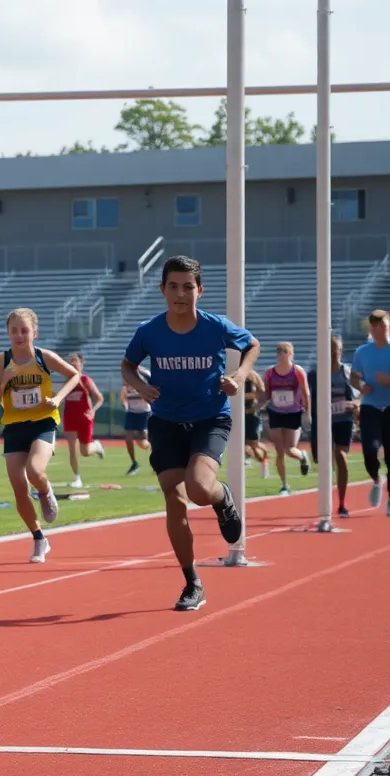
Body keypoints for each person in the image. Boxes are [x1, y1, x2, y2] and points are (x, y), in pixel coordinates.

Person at [121, 255, 258, 612]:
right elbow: (128, 365)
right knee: (173, 497)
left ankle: (221, 497)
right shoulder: (148, 331)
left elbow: (252, 346)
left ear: (200, 290)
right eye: (173, 286)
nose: (180, 294)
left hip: (209, 418)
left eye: (187, 287)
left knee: (198, 488)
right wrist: (140, 385)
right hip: (166, 421)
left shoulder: (216, 326)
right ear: (162, 289)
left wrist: (239, 377)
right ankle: (192, 582)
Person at [0, 308, 83, 565]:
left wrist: (58, 398)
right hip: (14, 427)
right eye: (14, 331)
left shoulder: (43, 357)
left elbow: (75, 376)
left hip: (43, 423)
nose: (19, 335)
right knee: (19, 487)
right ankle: (39, 537)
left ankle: (45, 490)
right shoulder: (1, 361)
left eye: (24, 330)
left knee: (34, 470)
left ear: (34, 333)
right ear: (8, 333)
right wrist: (5, 381)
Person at [349, 309, 390, 517]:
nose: (378, 330)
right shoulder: (362, 352)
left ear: (389, 326)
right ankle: (376, 479)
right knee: (369, 449)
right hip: (370, 406)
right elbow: (354, 378)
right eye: (375, 327)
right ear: (371, 329)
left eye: (382, 326)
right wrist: (361, 385)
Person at [307, 334, 357, 518]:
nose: (334, 352)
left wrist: (355, 404)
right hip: (323, 422)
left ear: (341, 351)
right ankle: (326, 499)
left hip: (343, 420)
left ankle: (342, 503)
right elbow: (306, 394)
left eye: (337, 349)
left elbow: (360, 393)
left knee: (340, 456)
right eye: (330, 349)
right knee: (322, 461)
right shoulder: (315, 374)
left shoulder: (347, 372)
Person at [260, 342, 311, 496]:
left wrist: (307, 412)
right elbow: (267, 392)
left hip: (293, 412)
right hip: (275, 411)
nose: (282, 355)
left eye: (285, 352)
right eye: (280, 352)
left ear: (291, 354)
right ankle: (284, 485)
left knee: (290, 449)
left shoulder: (297, 371)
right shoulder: (269, 372)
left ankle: (302, 457)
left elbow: (306, 392)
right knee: (279, 450)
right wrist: (261, 406)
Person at [61, 352, 105, 488]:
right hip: (70, 417)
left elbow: (99, 398)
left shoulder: (86, 380)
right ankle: (77, 478)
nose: (72, 364)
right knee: (72, 449)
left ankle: (96, 446)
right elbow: (62, 399)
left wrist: (93, 411)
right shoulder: (67, 381)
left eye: (75, 361)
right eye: (70, 361)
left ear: (81, 364)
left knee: (85, 452)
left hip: (84, 418)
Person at [120, 365, 152, 476]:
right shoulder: (126, 374)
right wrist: (126, 405)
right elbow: (124, 392)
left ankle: (157, 460)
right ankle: (134, 463)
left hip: (144, 412)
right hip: (132, 412)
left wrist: (142, 394)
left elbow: (151, 389)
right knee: (128, 437)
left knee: (144, 441)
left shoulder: (144, 373)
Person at [243, 369, 270, 478]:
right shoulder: (230, 373)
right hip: (238, 415)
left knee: (253, 445)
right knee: (243, 444)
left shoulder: (253, 376)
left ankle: (264, 459)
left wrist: (258, 406)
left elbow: (263, 393)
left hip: (251, 414)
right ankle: (247, 458)